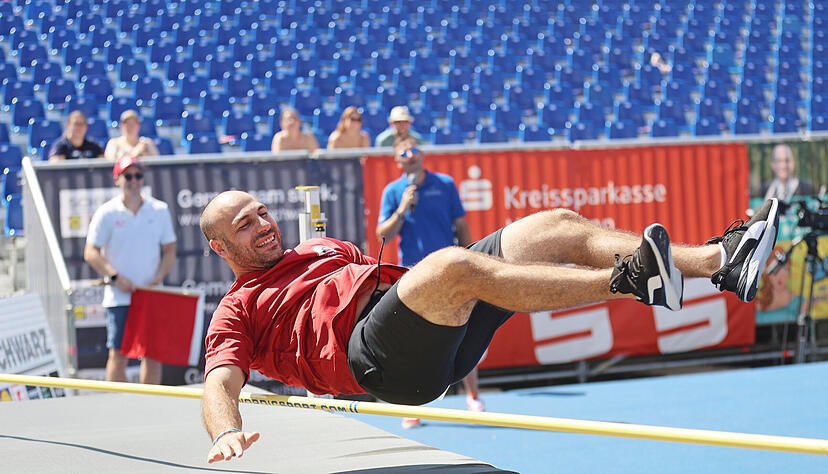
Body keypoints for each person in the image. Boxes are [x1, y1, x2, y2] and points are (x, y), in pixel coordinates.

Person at [199, 190, 780, 463]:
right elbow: (219, 384)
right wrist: (225, 432)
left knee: (554, 224)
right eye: (245, 226)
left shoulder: (322, 246)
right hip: (376, 362)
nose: (263, 227)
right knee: (453, 266)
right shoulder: (237, 307)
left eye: (262, 214)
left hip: (430, 327)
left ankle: (718, 264)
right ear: (219, 245)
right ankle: (632, 281)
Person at [376, 138, 480, 427]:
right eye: (403, 154)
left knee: (462, 330)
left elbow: (461, 225)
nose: (409, 157)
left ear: (422, 154)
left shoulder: (445, 184)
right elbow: (382, 233)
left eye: (413, 151)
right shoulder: (394, 191)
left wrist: (469, 257)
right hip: (412, 273)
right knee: (412, 339)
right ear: (397, 162)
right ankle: (412, 405)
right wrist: (402, 208)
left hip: (448, 269)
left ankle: (473, 397)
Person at [83, 155, 177, 384]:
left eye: (138, 175)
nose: (134, 181)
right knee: (119, 353)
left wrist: (158, 279)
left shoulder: (159, 209)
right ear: (117, 179)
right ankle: (118, 409)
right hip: (119, 296)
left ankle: (150, 405)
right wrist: (115, 277)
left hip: (151, 295)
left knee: (153, 354)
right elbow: (90, 252)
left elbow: (169, 250)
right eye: (128, 176)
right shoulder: (106, 212)